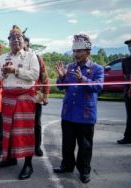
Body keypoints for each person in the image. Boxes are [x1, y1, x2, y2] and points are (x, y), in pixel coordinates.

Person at [53, 34, 104, 184]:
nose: (75, 54)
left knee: (85, 146)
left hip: (86, 114)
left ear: (88, 52)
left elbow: (99, 87)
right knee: (67, 144)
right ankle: (67, 165)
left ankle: (84, 170)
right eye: (74, 51)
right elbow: (60, 87)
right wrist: (61, 77)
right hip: (68, 113)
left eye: (79, 51)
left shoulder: (97, 69)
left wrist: (83, 79)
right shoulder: (69, 67)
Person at [0, 25, 39, 180]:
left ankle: (28, 164)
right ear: (9, 42)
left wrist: (16, 71)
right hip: (7, 97)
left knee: (25, 131)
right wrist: (4, 73)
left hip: (25, 96)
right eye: (13, 39)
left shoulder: (31, 56)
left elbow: (34, 75)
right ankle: (10, 159)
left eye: (19, 38)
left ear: (24, 41)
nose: (16, 41)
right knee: (8, 131)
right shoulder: (2, 58)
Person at [23, 36, 50, 157]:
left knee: (36, 124)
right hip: (20, 97)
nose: (18, 43)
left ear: (27, 43)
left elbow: (44, 78)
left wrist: (45, 95)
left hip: (35, 96)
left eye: (21, 40)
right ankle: (22, 146)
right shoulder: (12, 57)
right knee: (21, 124)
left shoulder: (37, 58)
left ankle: (36, 146)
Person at [117, 38, 131, 144]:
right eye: (129, 46)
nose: (130, 47)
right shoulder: (125, 61)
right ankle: (128, 137)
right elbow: (126, 76)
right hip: (128, 92)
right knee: (129, 115)